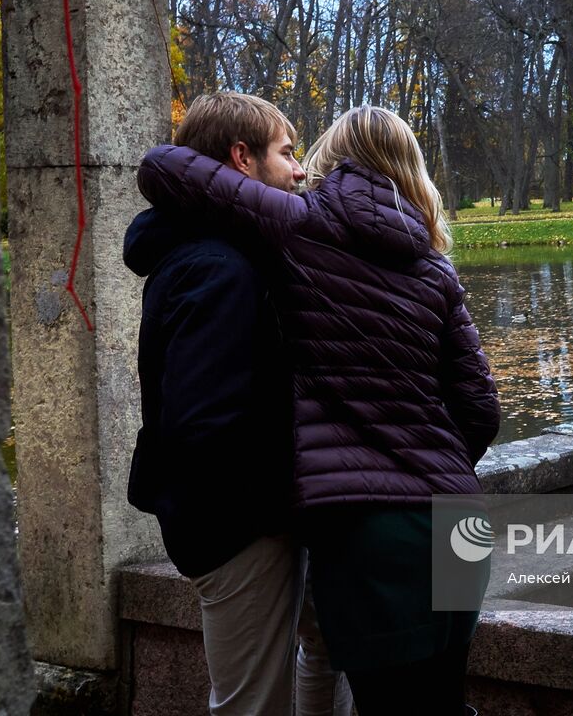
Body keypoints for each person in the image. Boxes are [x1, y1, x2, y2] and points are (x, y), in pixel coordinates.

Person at [137, 104, 500, 716]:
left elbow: (163, 167)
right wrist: (428, 460)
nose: (300, 169)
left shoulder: (302, 231)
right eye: (288, 153)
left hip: (374, 538)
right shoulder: (436, 266)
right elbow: (480, 408)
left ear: (333, 161)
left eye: (308, 156)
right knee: (445, 702)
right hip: (462, 521)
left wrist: (377, 466)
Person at [123, 91, 350, 716]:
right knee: (251, 705)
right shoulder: (220, 267)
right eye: (288, 153)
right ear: (242, 158)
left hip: (243, 519)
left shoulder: (218, 253)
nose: (301, 169)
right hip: (238, 527)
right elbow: (204, 427)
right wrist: (280, 503)